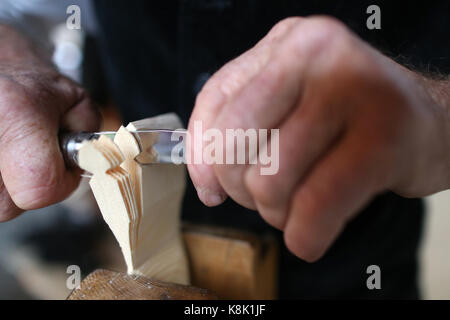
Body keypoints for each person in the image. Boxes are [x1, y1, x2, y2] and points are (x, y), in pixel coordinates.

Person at [0, 1, 449, 298]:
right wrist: (13, 63)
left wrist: (436, 108)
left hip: (355, 261)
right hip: (157, 260)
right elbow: (19, 10)